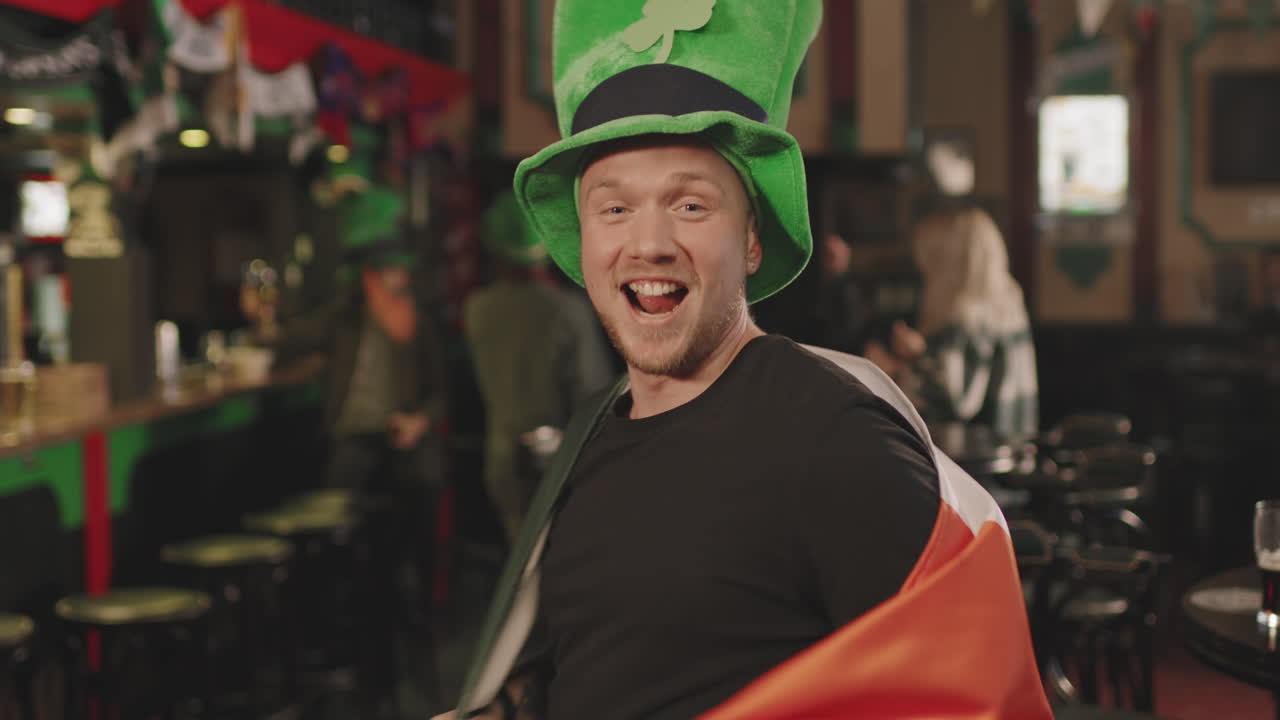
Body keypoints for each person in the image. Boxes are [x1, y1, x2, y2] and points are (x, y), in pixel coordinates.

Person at [437, 2, 1050, 719]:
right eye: (614, 210)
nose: (650, 243)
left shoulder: (838, 436)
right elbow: (595, 659)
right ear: (584, 243)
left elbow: (973, 694)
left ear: (752, 241)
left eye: (691, 206)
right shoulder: (591, 434)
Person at [463, 190, 615, 541]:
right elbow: (594, 395)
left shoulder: (476, 309)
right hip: (560, 465)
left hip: (500, 460)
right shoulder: (567, 310)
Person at [867, 206, 1039, 436]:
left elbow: (956, 402)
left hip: (974, 463)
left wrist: (895, 368)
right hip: (1015, 453)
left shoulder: (966, 317)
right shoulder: (1010, 307)